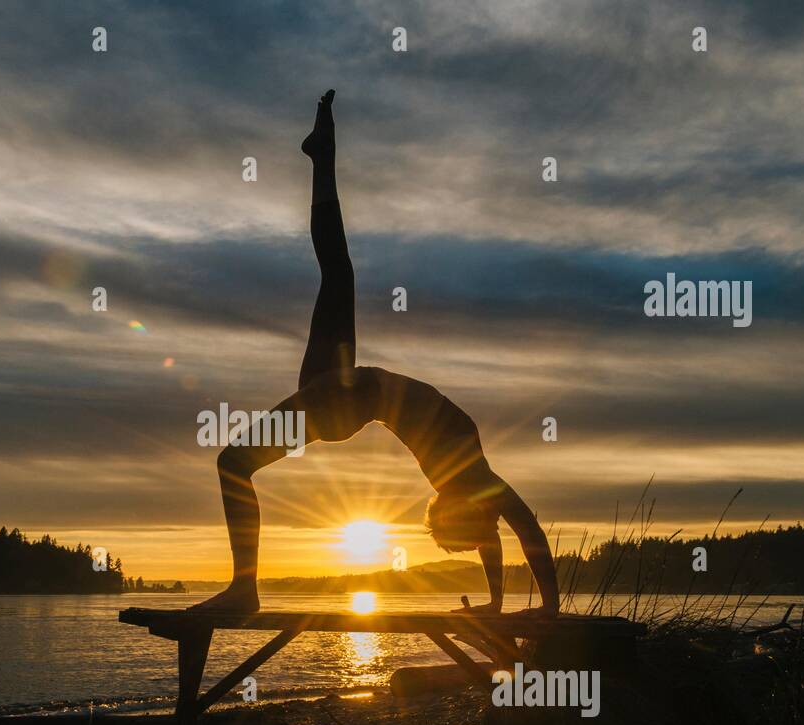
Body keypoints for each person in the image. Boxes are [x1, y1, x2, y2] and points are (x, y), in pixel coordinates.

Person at [193, 90, 559, 617]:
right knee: (337, 274)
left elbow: (505, 531)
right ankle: (322, 156)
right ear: (463, 515)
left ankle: (245, 588)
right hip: (340, 394)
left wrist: (508, 603)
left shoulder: (474, 486)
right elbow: (524, 531)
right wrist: (528, 605)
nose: (480, 535)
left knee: (235, 462)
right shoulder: (478, 486)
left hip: (345, 398)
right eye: (467, 532)